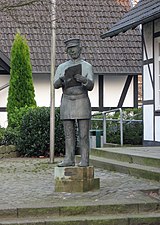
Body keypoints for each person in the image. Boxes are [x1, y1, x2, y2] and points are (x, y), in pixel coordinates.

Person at [54, 38, 94, 167]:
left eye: (74, 49)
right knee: (69, 134)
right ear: (67, 52)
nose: (72, 52)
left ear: (80, 49)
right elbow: (55, 85)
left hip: (81, 100)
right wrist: (61, 80)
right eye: (70, 50)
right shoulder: (62, 67)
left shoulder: (87, 66)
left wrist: (84, 80)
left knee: (83, 134)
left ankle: (85, 160)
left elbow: (91, 85)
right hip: (67, 101)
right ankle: (69, 159)